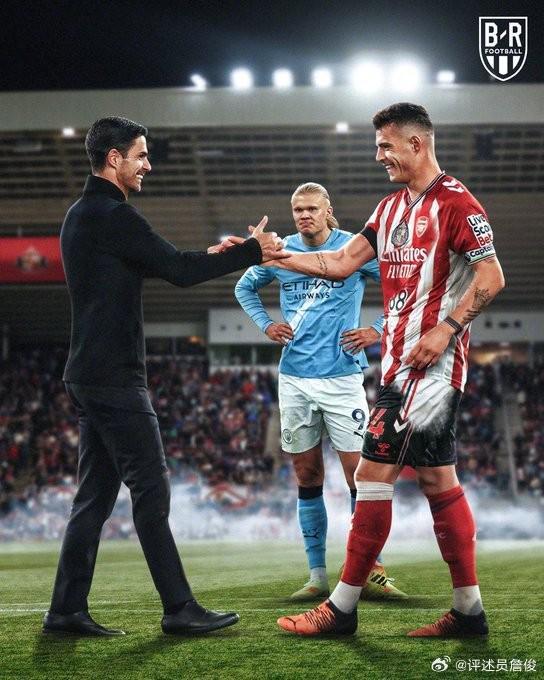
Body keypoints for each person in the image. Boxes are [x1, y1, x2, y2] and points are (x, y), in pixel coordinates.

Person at [43, 116, 286, 637]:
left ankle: (65, 610)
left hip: (88, 373)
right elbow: (178, 270)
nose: (147, 165)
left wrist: (219, 255)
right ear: (114, 159)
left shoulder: (81, 215)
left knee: (94, 498)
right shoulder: (115, 215)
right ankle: (178, 607)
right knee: (151, 490)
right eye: (140, 155)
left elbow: (166, 262)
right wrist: (251, 251)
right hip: (114, 378)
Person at [271, 103, 505, 637]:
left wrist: (445, 329)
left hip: (431, 369)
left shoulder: (457, 202)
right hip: (398, 365)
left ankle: (341, 608)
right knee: (437, 479)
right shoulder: (388, 209)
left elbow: (491, 277)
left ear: (416, 144)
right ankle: (469, 612)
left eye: (385, 146)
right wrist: (270, 256)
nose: (378, 155)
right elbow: (339, 263)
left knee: (371, 474)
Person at [235, 182, 406, 602]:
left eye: (312, 208)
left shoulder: (352, 249)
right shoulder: (281, 251)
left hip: (342, 378)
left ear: (328, 210)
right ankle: (317, 575)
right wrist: (266, 325)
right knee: (307, 476)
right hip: (294, 378)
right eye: (298, 210)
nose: (304, 215)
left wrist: (377, 330)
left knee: (360, 477)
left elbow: (402, 291)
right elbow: (244, 287)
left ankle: (371, 570)